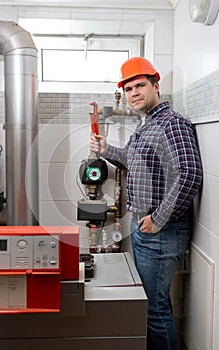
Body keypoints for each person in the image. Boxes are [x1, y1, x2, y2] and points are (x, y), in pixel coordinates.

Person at [90, 57, 203, 350]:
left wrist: (158, 219)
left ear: (156, 85)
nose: (134, 93)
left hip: (161, 232)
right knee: (151, 305)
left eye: (140, 85)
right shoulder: (147, 125)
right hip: (148, 228)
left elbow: (189, 174)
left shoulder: (171, 124)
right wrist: (107, 150)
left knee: (155, 310)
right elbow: (134, 162)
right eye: (128, 89)